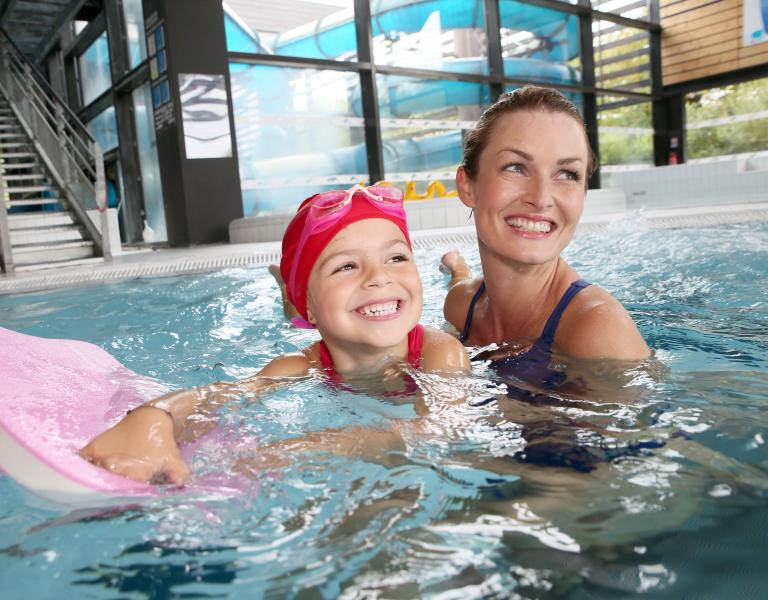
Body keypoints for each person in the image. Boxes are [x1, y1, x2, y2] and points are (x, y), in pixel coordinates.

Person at [81, 183, 470, 484]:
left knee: (459, 305)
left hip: (453, 325)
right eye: (346, 266)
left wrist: (311, 446)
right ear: (312, 305)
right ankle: (289, 290)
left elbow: (442, 428)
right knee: (304, 314)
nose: (380, 276)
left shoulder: (442, 352)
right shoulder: (301, 364)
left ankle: (457, 269)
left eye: (397, 258)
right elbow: (217, 397)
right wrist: (154, 418)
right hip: (318, 310)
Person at [440, 86, 650, 387]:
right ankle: (456, 265)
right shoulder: (461, 306)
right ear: (467, 186)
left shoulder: (598, 330)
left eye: (567, 174)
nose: (541, 199)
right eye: (515, 167)